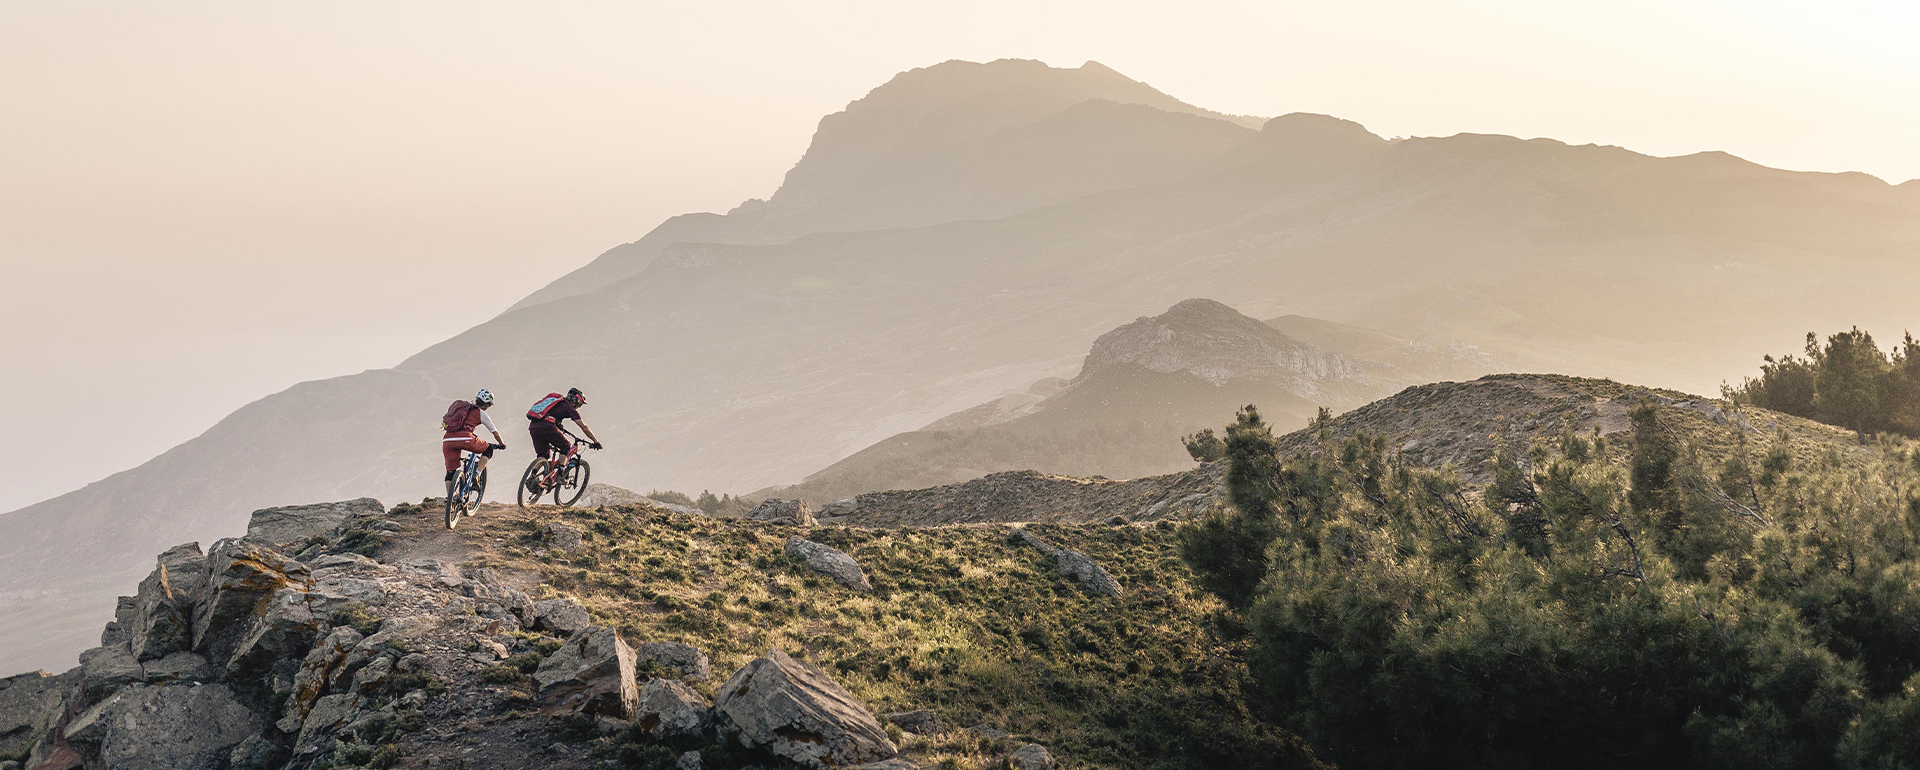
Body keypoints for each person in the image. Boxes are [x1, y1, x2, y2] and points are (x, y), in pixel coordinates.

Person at [526, 387, 601, 490]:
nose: (579, 407)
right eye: (580, 404)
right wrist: (595, 441)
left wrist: (559, 426)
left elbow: (552, 414)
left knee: (543, 455)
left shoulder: (556, 401)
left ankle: (532, 476)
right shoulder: (569, 407)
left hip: (533, 426)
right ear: (576, 400)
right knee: (565, 447)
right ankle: (560, 475)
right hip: (547, 426)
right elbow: (584, 427)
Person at [442, 388, 505, 500]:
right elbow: (494, 432)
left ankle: (450, 500)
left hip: (447, 439)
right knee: (488, 449)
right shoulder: (480, 413)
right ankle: (477, 474)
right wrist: (501, 443)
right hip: (466, 438)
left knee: (450, 472)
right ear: (487, 404)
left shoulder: (463, 408)